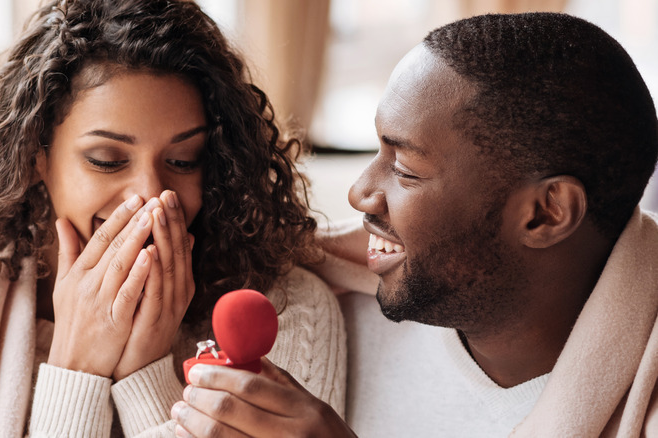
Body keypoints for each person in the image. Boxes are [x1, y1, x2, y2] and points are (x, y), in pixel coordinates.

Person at [171, 12, 658, 437]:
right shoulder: (314, 315)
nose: (359, 193)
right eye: (378, 150)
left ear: (545, 213)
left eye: (405, 170)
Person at [0, 0, 346, 436]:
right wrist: (75, 369)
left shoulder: (283, 314)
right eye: (107, 160)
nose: (152, 196)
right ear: (36, 156)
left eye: (183, 160)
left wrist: (146, 373)